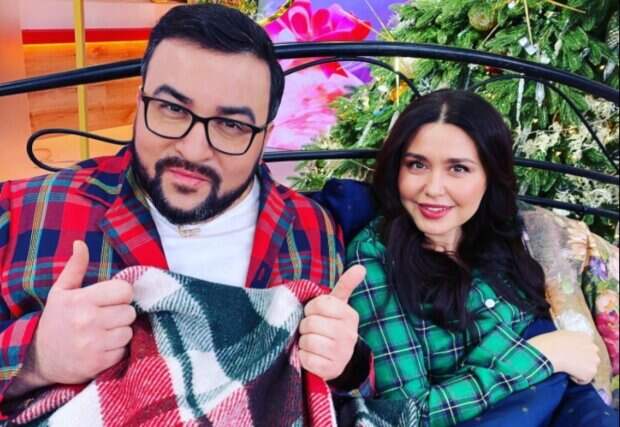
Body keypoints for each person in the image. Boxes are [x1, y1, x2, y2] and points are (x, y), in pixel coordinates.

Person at [0, 4, 369, 416]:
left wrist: (345, 363)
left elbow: (343, 390)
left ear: (264, 137)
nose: (193, 150)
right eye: (173, 109)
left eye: (232, 125)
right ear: (141, 101)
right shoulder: (26, 211)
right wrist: (37, 357)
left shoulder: (312, 227)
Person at [346, 90, 614, 426]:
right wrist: (540, 355)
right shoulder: (374, 260)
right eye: (417, 165)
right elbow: (408, 415)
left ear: (489, 175)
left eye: (458, 168)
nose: (433, 188)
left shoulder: (507, 234)